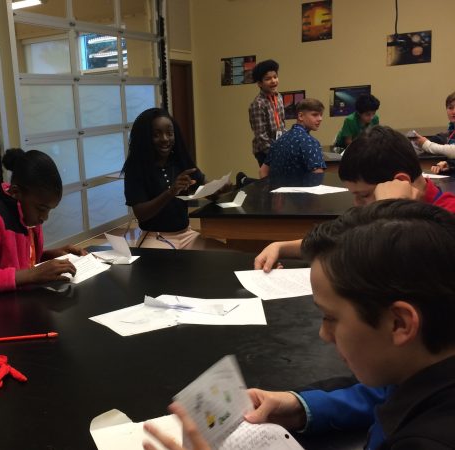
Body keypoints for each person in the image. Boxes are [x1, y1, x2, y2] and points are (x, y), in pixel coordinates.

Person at [144, 200, 455, 450]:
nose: (323, 334)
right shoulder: (422, 368)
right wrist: (298, 405)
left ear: (399, 323)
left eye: (330, 318)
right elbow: (383, 394)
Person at [254, 125, 455, 272]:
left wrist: (390, 212)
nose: (357, 205)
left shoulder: (446, 221)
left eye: (364, 195)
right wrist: (280, 247)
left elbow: (394, 263)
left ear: (399, 182)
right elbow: (341, 236)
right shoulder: (371, 212)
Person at [0, 148, 86, 301]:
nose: (44, 218)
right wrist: (32, 274)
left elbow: (18, 262)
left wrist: (49, 256)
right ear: (15, 192)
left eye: (49, 210)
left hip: (22, 302)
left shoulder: (28, 213)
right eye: (41, 209)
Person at [122, 108, 229, 250]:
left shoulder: (180, 161)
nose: (165, 139)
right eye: (156, 135)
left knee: (227, 255)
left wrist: (220, 189)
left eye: (170, 133)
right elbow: (141, 214)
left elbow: (206, 189)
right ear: (145, 138)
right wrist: (170, 192)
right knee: (162, 264)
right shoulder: (135, 169)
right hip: (155, 236)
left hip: (187, 234)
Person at [260, 98, 326, 178]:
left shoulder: (279, 140)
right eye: (315, 115)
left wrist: (269, 185)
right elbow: (317, 177)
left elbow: (263, 171)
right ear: (300, 116)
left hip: (276, 185)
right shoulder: (310, 142)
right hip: (301, 186)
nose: (320, 119)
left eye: (321, 115)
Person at [248, 59, 286, 172]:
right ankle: (244, 180)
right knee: (270, 180)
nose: (273, 81)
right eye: (268, 79)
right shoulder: (258, 104)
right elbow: (261, 136)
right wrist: (275, 153)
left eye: (275, 77)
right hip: (265, 151)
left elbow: (282, 124)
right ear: (259, 83)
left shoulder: (279, 97)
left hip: (279, 147)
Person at [413, 91, 455, 166]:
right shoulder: (445, 135)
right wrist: (418, 144)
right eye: (450, 108)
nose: (454, 112)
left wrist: (426, 144)